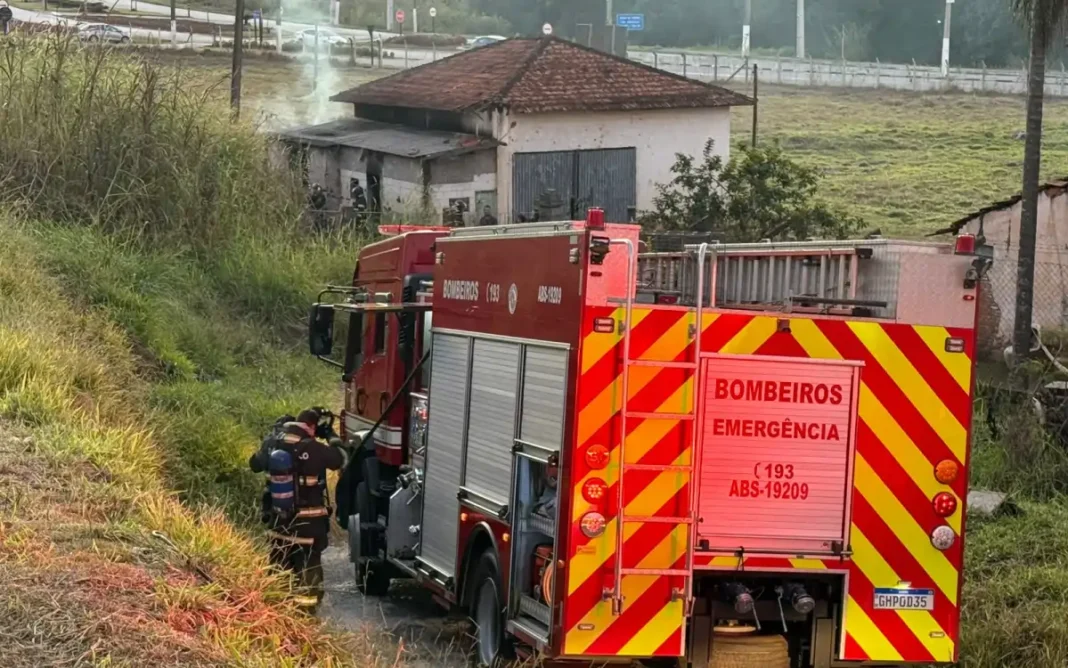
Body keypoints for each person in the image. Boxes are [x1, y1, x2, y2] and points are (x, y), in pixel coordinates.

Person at [250, 408, 350, 611]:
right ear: (312, 427)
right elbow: (342, 459)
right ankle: (306, 617)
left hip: (279, 524)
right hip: (308, 528)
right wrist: (330, 435)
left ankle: (275, 613)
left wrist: (269, 438)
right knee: (308, 577)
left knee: (279, 570)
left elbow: (254, 464)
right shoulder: (313, 448)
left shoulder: (274, 443)